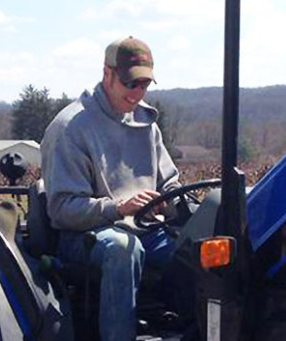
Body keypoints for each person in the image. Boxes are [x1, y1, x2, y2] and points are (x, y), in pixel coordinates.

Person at [41, 36, 181, 341]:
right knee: (123, 249)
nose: (137, 94)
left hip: (147, 228)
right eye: (130, 84)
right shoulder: (71, 128)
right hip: (85, 234)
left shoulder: (147, 124)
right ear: (107, 74)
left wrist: (173, 203)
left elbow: (170, 183)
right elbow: (63, 210)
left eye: (144, 86)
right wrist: (118, 207)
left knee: (197, 250)